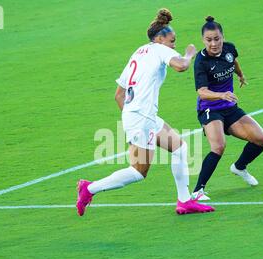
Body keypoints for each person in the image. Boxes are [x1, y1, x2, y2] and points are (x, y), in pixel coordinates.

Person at [76, 9, 215, 216]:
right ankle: (89, 188)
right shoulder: (160, 49)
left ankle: (184, 201)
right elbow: (181, 66)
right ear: (159, 39)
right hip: (142, 118)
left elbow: (118, 95)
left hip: (142, 116)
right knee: (138, 172)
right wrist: (189, 53)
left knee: (179, 147)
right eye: (172, 41)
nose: (173, 45)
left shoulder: (138, 52)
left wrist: (133, 118)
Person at [191, 16, 263, 201]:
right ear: (203, 40)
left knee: (261, 139)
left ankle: (240, 167)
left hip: (230, 108)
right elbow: (201, 92)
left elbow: (232, 61)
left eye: (217, 39)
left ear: (222, 37)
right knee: (218, 146)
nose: (213, 43)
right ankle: (197, 191)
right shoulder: (201, 61)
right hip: (210, 109)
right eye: (209, 40)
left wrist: (241, 75)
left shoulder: (229, 48)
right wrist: (221, 95)